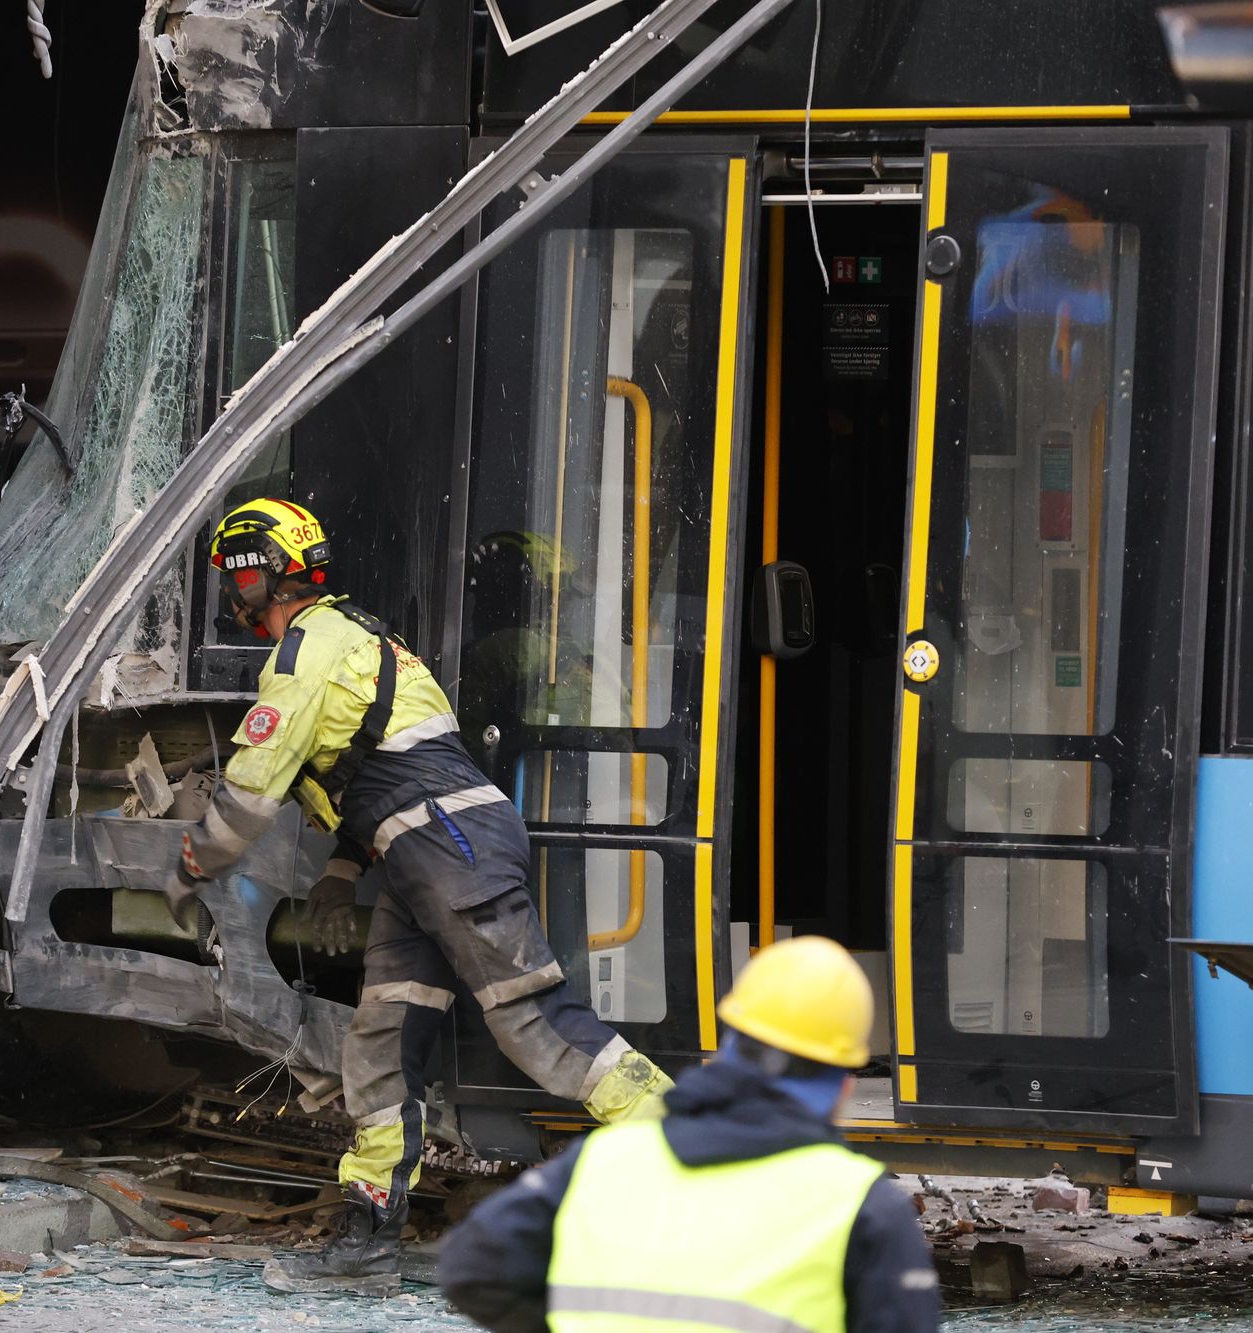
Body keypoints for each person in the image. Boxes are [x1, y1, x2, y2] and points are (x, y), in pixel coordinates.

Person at [166, 498, 677, 1299]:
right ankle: (367, 1241)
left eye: (237, 577)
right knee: (380, 1042)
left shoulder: (308, 651)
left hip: (446, 848)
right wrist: (341, 871)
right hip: (425, 852)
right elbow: (379, 767)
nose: (234, 595)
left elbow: (251, 792)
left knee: (530, 1021)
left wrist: (190, 863)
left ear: (259, 572)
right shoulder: (358, 638)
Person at [439, 935, 941, 1333]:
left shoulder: (604, 1163)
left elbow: (470, 1268)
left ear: (727, 1047)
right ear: (845, 1085)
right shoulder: (861, 1207)